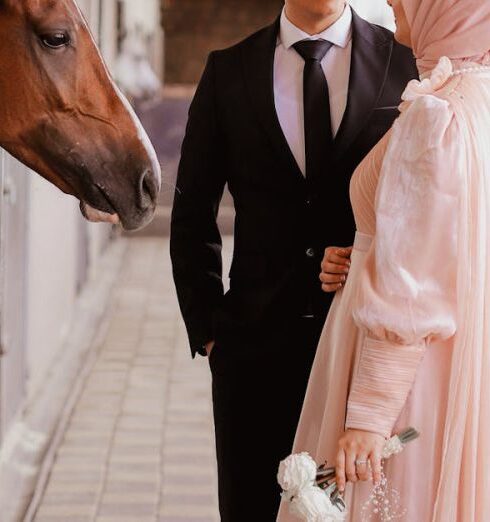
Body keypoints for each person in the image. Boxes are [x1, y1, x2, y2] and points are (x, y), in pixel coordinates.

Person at [170, 1, 416, 519]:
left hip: (360, 346)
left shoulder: (404, 64)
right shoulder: (228, 70)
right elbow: (192, 214)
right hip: (253, 353)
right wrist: (213, 333)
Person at [278, 0, 490, 520]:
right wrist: (374, 252)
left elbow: (414, 285)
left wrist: (369, 416)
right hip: (455, 359)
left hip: (408, 381)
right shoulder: (479, 99)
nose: (394, 1)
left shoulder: (438, 117)